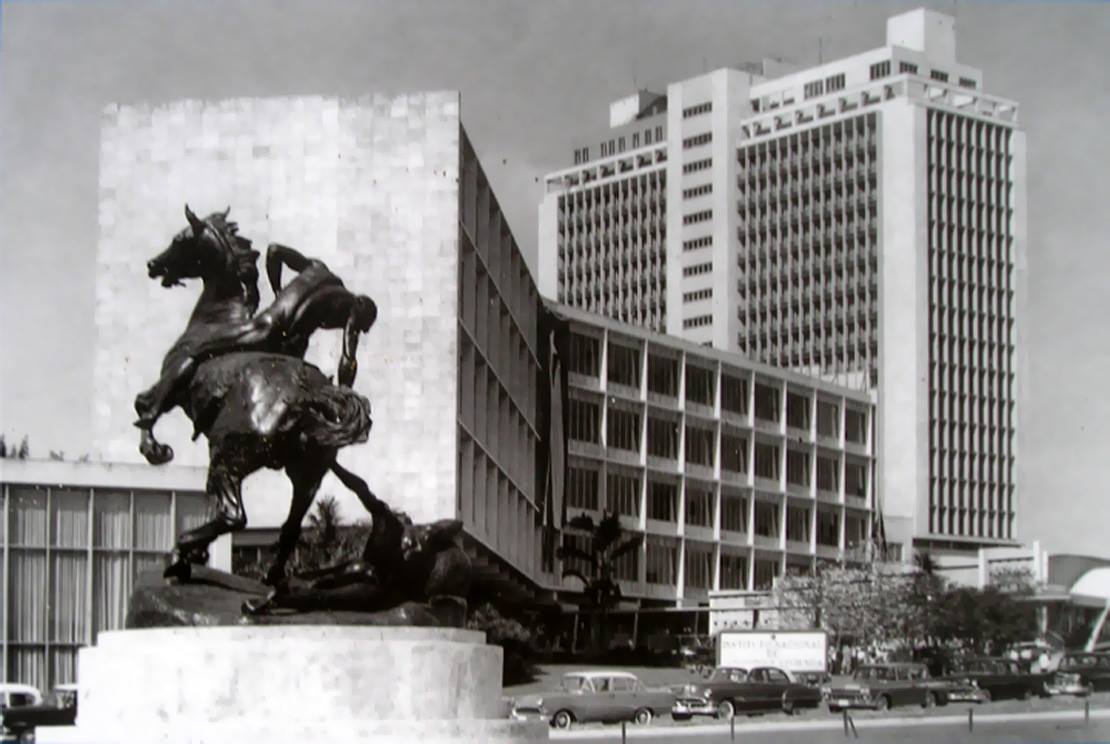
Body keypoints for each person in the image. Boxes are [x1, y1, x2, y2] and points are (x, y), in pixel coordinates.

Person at [135, 243, 377, 434]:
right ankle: (153, 405)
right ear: (362, 307)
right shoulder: (354, 309)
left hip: (273, 323)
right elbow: (348, 355)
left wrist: (278, 291)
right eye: (363, 327)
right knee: (201, 350)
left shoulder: (319, 268)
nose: (358, 330)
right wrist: (345, 392)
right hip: (271, 333)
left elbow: (274, 251)